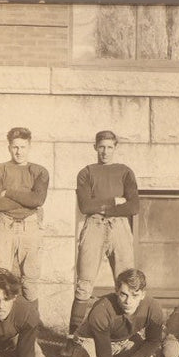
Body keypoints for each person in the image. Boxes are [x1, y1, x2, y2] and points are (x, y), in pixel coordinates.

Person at [70, 130, 139, 333]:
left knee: (128, 283)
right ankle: (72, 337)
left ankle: (128, 334)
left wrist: (100, 205)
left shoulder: (125, 171)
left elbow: (133, 207)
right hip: (94, 226)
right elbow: (85, 206)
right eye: (101, 147)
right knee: (84, 283)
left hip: (119, 227)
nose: (105, 152)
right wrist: (113, 201)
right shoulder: (86, 172)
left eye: (110, 147)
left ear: (115, 148)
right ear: (95, 147)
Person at [0, 127, 50, 302]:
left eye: (22, 147)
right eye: (15, 147)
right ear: (9, 147)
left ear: (29, 147)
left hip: (30, 226)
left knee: (30, 279)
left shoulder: (39, 171)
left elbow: (37, 200)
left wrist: (8, 192)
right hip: (4, 225)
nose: (19, 151)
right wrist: (26, 199)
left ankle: (32, 326)